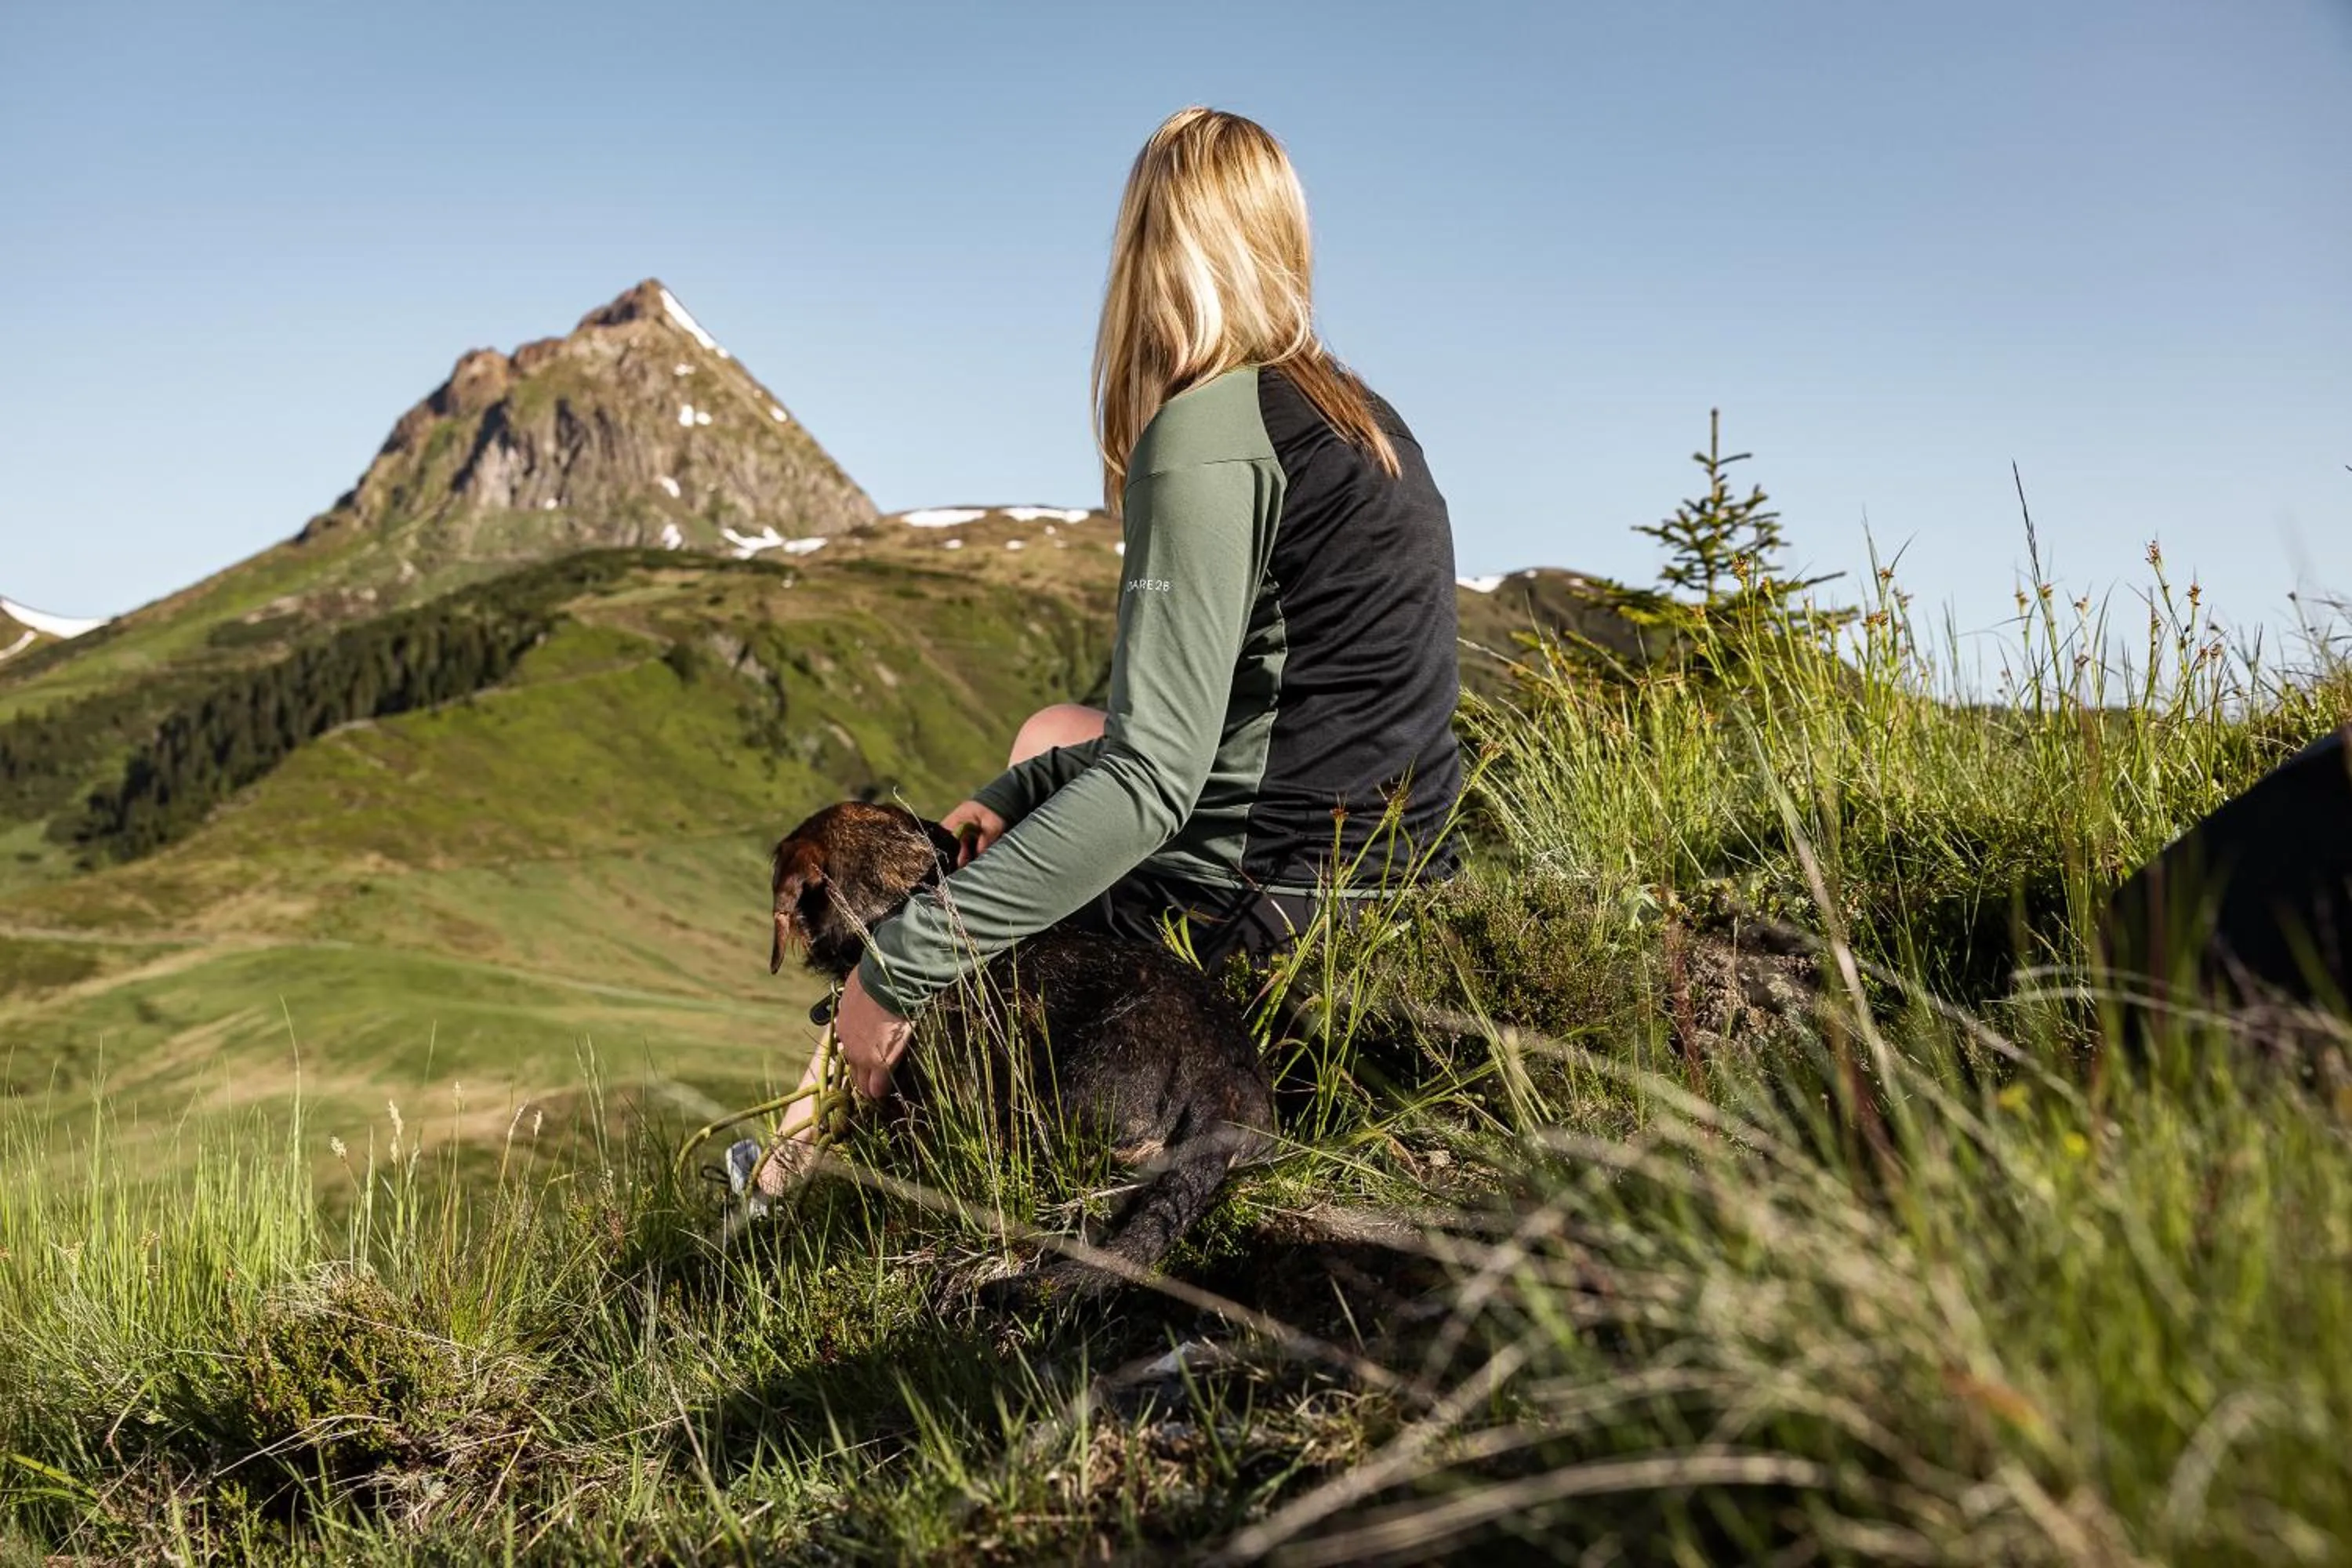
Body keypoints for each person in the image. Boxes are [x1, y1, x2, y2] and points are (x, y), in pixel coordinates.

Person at [754, 106, 1461, 1184]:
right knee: (1047, 737)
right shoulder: (1354, 415)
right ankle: (796, 1156)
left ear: (1152, 252)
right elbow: (1267, 722)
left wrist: (900, 968)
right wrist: (1027, 784)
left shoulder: (1208, 437)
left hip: (1268, 903)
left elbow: (1151, 785)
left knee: (921, 928)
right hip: (1397, 871)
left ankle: (796, 1180)